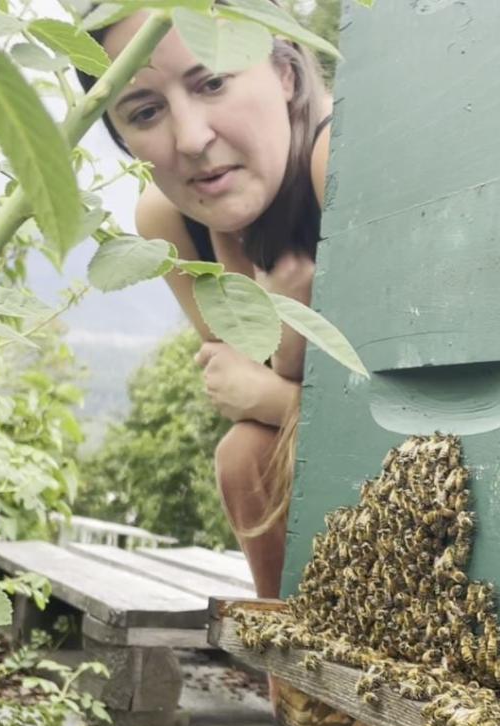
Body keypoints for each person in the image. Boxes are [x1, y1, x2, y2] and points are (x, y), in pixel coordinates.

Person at [77, 10, 333, 615]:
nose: (190, 139)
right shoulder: (166, 221)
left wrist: (279, 394)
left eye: (212, 81)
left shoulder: (337, 164)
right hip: (334, 513)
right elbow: (243, 386)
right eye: (144, 111)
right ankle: (297, 695)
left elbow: (439, 428)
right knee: (246, 456)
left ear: (286, 73)